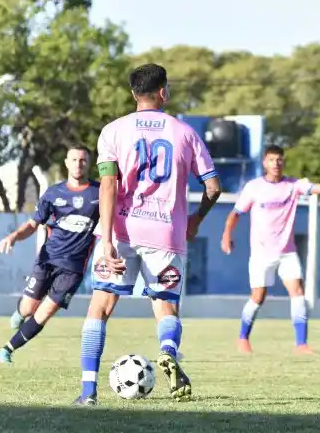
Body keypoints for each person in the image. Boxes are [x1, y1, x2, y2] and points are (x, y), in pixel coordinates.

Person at [74, 63, 223, 406]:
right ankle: (168, 350)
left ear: (132, 93)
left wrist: (107, 237)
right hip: (166, 234)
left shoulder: (113, 131)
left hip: (123, 230)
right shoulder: (184, 133)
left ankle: (87, 392)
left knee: (100, 307)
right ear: (163, 92)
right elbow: (213, 187)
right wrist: (197, 218)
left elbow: (109, 184)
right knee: (166, 307)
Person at [220, 145, 320, 354]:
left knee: (298, 293)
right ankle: (243, 339)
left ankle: (301, 344)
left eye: (279, 160)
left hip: (287, 251)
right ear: (265, 163)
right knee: (258, 296)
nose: (276, 164)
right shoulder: (254, 187)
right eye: (272, 160)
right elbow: (235, 214)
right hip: (261, 253)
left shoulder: (293, 185)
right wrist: (226, 235)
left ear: (283, 162)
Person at [0, 146, 99, 364]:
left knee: (45, 312)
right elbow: (34, 224)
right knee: (28, 308)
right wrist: (13, 237)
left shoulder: (99, 194)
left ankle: (7, 350)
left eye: (83, 160)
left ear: (88, 163)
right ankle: (21, 313)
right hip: (47, 260)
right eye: (74, 159)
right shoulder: (53, 193)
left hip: (73, 268)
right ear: (66, 163)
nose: (78, 164)